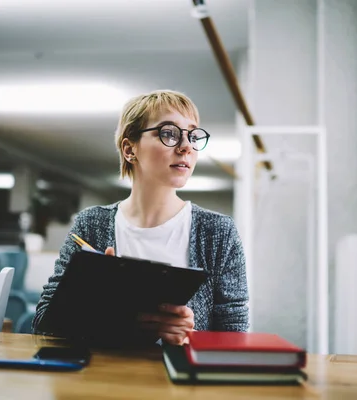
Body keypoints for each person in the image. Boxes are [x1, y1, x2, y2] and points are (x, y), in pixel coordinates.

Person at [32, 89, 249, 345]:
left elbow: (235, 337)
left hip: (181, 383)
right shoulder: (91, 224)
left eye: (192, 135)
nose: (186, 147)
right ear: (129, 149)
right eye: (169, 133)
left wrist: (189, 339)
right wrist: (98, 302)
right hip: (101, 380)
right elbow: (42, 324)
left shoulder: (217, 231)